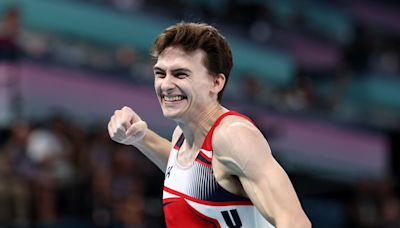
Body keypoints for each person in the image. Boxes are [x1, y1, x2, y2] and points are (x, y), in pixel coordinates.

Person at [108, 22, 311, 227]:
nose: (166, 85)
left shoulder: (233, 137)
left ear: (216, 83)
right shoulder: (183, 134)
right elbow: (186, 174)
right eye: (160, 73)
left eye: (180, 74)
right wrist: (141, 137)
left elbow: (295, 222)